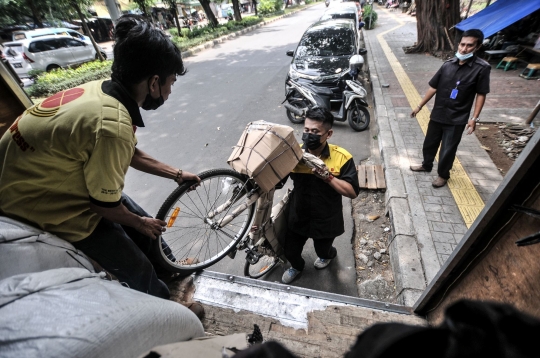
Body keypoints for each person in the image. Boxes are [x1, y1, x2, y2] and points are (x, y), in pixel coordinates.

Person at [0, 15, 202, 307]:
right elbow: (103, 205)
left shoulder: (101, 91)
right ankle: (169, 310)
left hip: (35, 179)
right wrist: (139, 223)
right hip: (37, 205)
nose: (169, 91)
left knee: (138, 217)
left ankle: (171, 270)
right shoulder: (112, 125)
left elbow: (128, 153)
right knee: (135, 264)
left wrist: (176, 174)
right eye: (170, 82)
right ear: (154, 83)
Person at [281, 107, 360, 284]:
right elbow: (277, 181)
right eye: (307, 130)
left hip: (326, 218)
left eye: (315, 132)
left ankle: (328, 255)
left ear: (328, 134)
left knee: (323, 250)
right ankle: (297, 266)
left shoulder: (342, 157)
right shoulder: (294, 155)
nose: (309, 135)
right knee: (290, 251)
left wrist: (328, 177)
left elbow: (352, 192)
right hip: (298, 215)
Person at [410, 29, 491, 188]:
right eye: (462, 44)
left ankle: (443, 175)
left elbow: (481, 94)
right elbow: (433, 87)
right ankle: (426, 165)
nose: (463, 49)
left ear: (477, 47)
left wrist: (474, 118)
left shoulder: (482, 68)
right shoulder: (448, 64)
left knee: (448, 149)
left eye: (469, 46)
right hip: (438, 113)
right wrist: (419, 106)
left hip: (457, 118)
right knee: (429, 143)